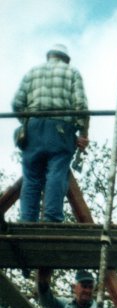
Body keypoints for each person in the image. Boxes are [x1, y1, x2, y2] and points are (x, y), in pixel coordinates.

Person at [12, 43, 89, 222]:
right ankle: (52, 219)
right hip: (60, 130)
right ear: (66, 59)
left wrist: (28, 122)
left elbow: (17, 104)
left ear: (49, 56)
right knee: (56, 174)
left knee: (31, 177)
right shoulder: (72, 72)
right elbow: (81, 107)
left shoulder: (32, 73)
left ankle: (27, 221)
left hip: (33, 129)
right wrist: (81, 134)